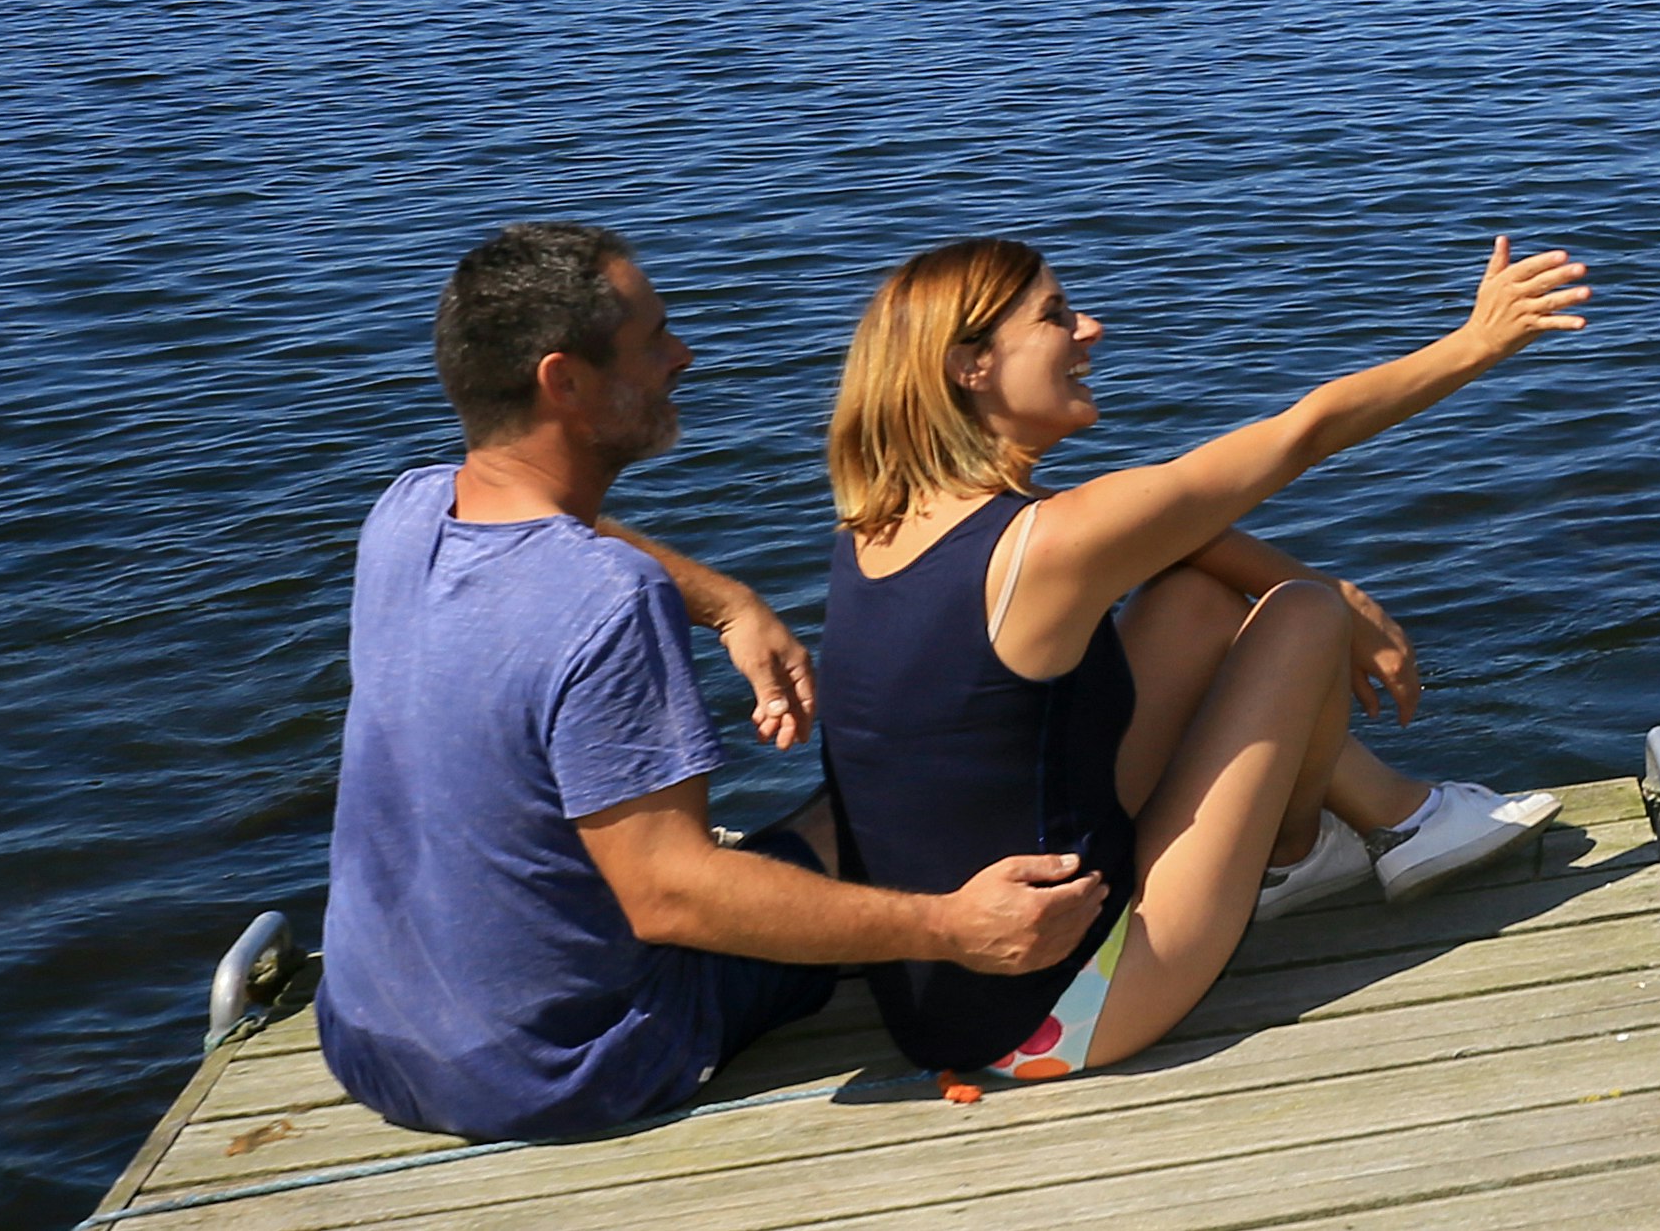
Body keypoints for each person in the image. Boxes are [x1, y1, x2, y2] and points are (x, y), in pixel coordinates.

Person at [317, 224, 1106, 1142]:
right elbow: (670, 896)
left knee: (848, 814)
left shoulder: (409, 509)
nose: (683, 355)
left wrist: (729, 605)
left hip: (369, 1037)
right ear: (564, 382)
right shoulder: (608, 601)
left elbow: (563, 531)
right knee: (882, 809)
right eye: (653, 339)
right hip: (569, 1066)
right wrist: (955, 927)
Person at [817, 233, 1589, 1084]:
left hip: (941, 999)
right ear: (971, 366)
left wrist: (1323, 583)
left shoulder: (879, 525)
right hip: (1059, 1007)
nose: (1090, 329)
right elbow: (1301, 435)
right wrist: (1477, 343)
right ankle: (1336, 840)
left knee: (1194, 601)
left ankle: (1374, 826)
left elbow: (1167, 534)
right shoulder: (1051, 545)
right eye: (1056, 316)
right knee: (1304, 614)